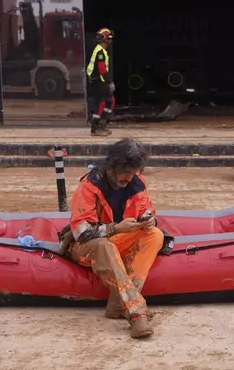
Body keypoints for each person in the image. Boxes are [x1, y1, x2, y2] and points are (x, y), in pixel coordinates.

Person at [61, 138, 164, 338]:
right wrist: (115, 228)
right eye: (124, 172)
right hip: (86, 246)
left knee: (155, 234)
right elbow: (81, 233)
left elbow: (147, 210)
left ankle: (118, 303)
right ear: (112, 167)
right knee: (104, 245)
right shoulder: (89, 186)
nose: (128, 177)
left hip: (117, 239)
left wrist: (148, 220)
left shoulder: (138, 182)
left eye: (132, 172)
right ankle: (136, 312)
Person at [86, 27, 116, 136]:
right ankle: (95, 128)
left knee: (110, 101)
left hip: (100, 81)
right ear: (104, 39)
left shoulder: (102, 51)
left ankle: (102, 125)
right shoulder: (100, 52)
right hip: (97, 82)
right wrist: (110, 82)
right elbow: (102, 70)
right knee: (101, 103)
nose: (109, 41)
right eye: (109, 39)